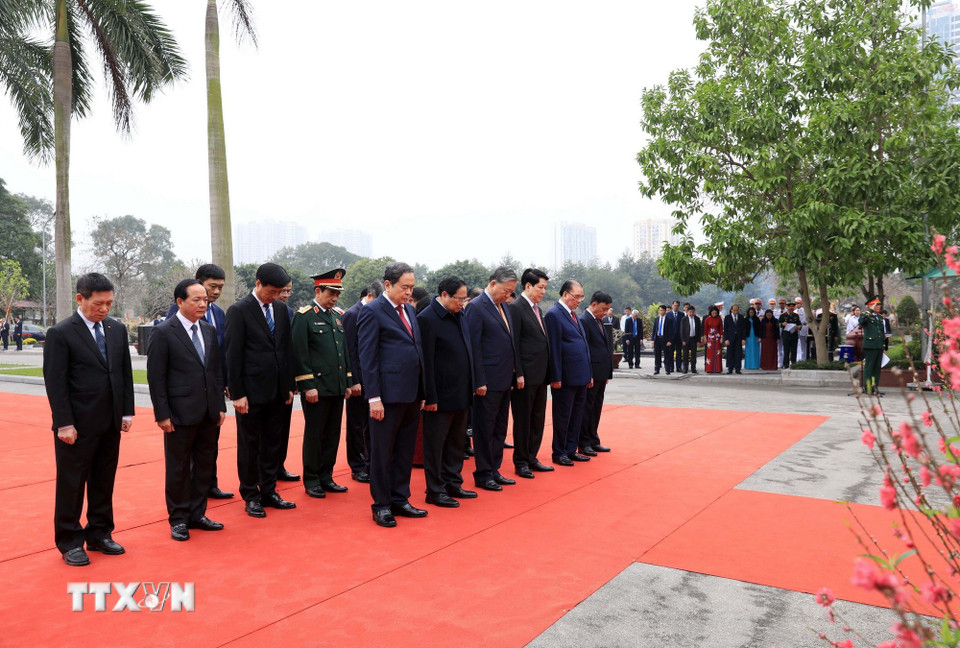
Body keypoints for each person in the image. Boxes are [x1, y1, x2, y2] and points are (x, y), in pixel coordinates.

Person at [43, 273, 134, 566]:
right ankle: (69, 541)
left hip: (110, 421)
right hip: (77, 425)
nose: (104, 309)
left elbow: (124, 373)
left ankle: (100, 533)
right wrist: (64, 423)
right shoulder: (61, 333)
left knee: (103, 480)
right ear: (80, 299)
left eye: (109, 303)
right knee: (71, 484)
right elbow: (55, 383)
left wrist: (126, 411)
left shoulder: (116, 329)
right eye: (98, 304)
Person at [147, 279, 226, 542]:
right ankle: (179, 518)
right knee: (178, 468)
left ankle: (197, 514)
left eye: (205, 299)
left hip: (208, 412)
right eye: (197, 299)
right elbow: (156, 377)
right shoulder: (163, 332)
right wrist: (162, 414)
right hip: (179, 412)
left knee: (204, 465)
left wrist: (220, 406)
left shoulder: (209, 330)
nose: (204, 304)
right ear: (180, 302)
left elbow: (215, 372)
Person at [358, 261, 428, 527]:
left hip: (411, 393)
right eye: (404, 287)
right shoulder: (372, 311)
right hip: (386, 396)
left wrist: (422, 390)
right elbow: (368, 358)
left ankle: (400, 498)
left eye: (412, 287)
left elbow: (416, 349)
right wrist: (374, 397)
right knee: (382, 453)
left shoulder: (409, 310)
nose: (409, 292)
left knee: (404, 451)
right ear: (388, 285)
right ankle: (382, 505)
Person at [224, 262, 296, 519]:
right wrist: (237, 393)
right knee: (250, 445)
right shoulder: (239, 311)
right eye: (271, 291)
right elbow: (232, 355)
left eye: (280, 292)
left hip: (277, 391)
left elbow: (286, 350)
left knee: (272, 444)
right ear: (258, 284)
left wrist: (289, 385)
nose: (275, 296)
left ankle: (268, 491)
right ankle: (250, 494)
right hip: (251, 393)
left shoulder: (281, 310)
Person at [165, 263, 233, 499]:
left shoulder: (219, 315)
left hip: (211, 394)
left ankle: (208, 486)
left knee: (209, 446)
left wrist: (224, 384)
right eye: (211, 286)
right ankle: (186, 500)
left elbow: (219, 354)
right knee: (184, 455)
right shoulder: (175, 315)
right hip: (186, 398)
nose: (215, 292)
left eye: (220, 287)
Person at [292, 269, 358, 500]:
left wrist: (348, 381)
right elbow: (299, 354)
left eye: (337, 294)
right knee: (315, 435)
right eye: (331, 293)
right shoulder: (304, 317)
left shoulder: (337, 317)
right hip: (317, 388)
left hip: (336, 386)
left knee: (332, 434)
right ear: (317, 291)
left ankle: (326, 476)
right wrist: (307, 384)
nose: (334, 299)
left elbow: (344, 352)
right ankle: (312, 479)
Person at [418, 276, 479, 507]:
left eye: (465, 299)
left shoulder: (459, 315)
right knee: (435, 446)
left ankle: (453, 483)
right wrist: (429, 396)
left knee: (456, 442)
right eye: (459, 299)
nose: (462, 303)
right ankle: (435, 490)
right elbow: (426, 362)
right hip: (439, 396)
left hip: (461, 391)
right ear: (444, 295)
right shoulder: (427, 319)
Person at [464, 267, 523, 491]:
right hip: (487, 381)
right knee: (484, 429)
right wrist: (478, 380)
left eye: (511, 291)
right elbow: (474, 348)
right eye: (505, 290)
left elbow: (510, 342)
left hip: (504, 378)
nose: (508, 295)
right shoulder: (476, 307)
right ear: (492, 284)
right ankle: (483, 473)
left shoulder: (504, 306)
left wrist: (516, 373)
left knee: (500, 428)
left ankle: (494, 469)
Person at [508, 268, 554, 479]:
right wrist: (518, 372)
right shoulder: (516, 308)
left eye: (545, 287)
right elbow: (514, 344)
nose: (543, 291)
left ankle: (532, 457)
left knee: (537, 419)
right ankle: (521, 461)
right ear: (528, 286)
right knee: (523, 421)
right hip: (525, 377)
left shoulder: (537, 309)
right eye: (540, 287)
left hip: (540, 375)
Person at [544, 280, 592, 466]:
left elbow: (583, 346)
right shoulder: (554, 315)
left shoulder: (574, 315)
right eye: (576, 296)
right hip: (565, 377)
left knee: (577, 415)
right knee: (563, 416)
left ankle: (571, 449)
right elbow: (554, 348)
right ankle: (559, 452)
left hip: (580, 376)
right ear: (565, 294)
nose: (579, 300)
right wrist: (555, 376)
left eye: (581, 297)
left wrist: (589, 373)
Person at [342, 281, 383, 483]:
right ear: (369, 296)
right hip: (358, 381)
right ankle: (357, 465)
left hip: (373, 379)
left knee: (371, 424)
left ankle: (370, 462)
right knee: (356, 425)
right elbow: (349, 350)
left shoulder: (375, 313)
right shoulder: (352, 314)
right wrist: (354, 380)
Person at [579, 291, 613, 456]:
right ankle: (584, 442)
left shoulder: (600, 321)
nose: (605, 312)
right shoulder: (584, 320)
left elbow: (605, 347)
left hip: (601, 373)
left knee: (596, 407)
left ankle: (593, 439)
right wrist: (589, 374)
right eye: (604, 308)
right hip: (591, 373)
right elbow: (585, 350)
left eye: (607, 309)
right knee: (587, 408)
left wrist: (607, 373)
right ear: (594, 304)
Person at [860, 298, 885, 395]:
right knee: (869, 368)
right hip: (870, 345)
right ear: (870, 306)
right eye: (876, 305)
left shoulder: (879, 317)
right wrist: (870, 310)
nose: (879, 307)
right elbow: (861, 321)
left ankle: (875, 387)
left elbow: (881, 332)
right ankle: (868, 388)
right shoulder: (866, 315)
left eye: (879, 305)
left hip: (879, 346)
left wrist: (883, 346)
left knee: (877, 369)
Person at [723, 304, 746, 374]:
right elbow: (725, 329)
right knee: (730, 353)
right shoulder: (727, 317)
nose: (736, 311)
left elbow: (743, 329)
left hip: (739, 338)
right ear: (731, 310)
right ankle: (730, 368)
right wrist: (726, 339)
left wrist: (743, 339)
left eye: (737, 310)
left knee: (738, 353)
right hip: (730, 338)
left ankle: (738, 368)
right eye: (734, 310)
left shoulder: (741, 317)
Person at [651, 305, 674, 375]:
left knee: (667, 355)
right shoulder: (656, 319)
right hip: (657, 338)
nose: (661, 312)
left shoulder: (669, 320)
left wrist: (670, 340)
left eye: (662, 310)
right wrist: (653, 339)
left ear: (665, 311)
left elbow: (671, 331)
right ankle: (657, 369)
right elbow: (654, 330)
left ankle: (667, 369)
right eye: (660, 310)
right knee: (657, 355)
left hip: (665, 339)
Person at [680, 305, 702, 373]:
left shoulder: (697, 319)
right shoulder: (684, 319)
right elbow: (682, 330)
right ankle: (685, 368)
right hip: (686, 339)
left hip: (694, 339)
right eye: (690, 312)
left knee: (694, 355)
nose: (691, 313)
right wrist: (683, 340)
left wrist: (698, 340)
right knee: (685, 354)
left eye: (693, 312)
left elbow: (699, 330)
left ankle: (693, 368)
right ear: (687, 312)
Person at [779, 302, 802, 369]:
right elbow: (778, 324)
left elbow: (799, 324)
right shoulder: (783, 315)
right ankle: (786, 364)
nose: (791, 310)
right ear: (787, 308)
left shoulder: (796, 315)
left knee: (794, 350)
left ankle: (794, 364)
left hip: (794, 335)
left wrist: (799, 327)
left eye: (792, 309)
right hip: (786, 336)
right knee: (786, 351)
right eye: (790, 309)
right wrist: (782, 324)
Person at [702, 305, 724, 374]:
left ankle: (718, 369)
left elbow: (721, 329)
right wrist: (705, 338)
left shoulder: (719, 319)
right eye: (713, 313)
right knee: (710, 353)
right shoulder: (707, 319)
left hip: (717, 338)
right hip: (710, 338)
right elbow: (705, 329)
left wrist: (721, 337)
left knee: (718, 353)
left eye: (715, 313)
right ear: (710, 312)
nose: (714, 314)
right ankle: (709, 368)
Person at [668, 300, 684, 373]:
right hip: (671, 337)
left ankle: (678, 367)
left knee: (679, 353)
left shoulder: (681, 314)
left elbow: (683, 326)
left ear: (679, 306)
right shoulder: (668, 314)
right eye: (674, 305)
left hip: (679, 337)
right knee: (670, 352)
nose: (676, 307)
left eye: (677, 306)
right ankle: (671, 367)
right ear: (672, 305)